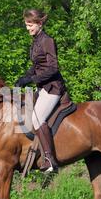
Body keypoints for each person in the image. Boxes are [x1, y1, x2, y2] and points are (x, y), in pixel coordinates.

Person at [15, 9, 67, 173]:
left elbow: (53, 67)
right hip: (42, 87)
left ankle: (50, 160)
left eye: (30, 25)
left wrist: (31, 80)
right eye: (26, 25)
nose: (27, 28)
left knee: (37, 118)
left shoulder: (47, 41)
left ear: (39, 23)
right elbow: (37, 66)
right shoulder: (36, 41)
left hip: (52, 87)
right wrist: (25, 77)